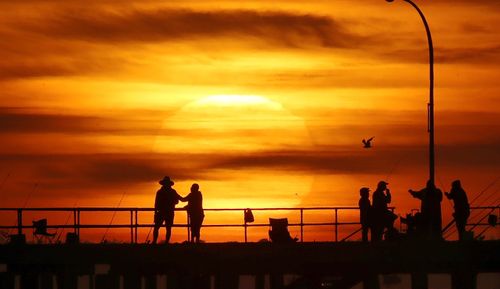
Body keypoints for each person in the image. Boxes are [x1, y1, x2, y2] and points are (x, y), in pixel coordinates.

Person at [152, 176, 182, 244]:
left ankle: (155, 241)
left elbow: (156, 203)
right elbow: (178, 200)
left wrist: (156, 211)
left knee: (157, 227)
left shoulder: (160, 191)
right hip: (169, 212)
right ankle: (166, 242)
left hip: (161, 212)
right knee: (168, 228)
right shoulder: (172, 191)